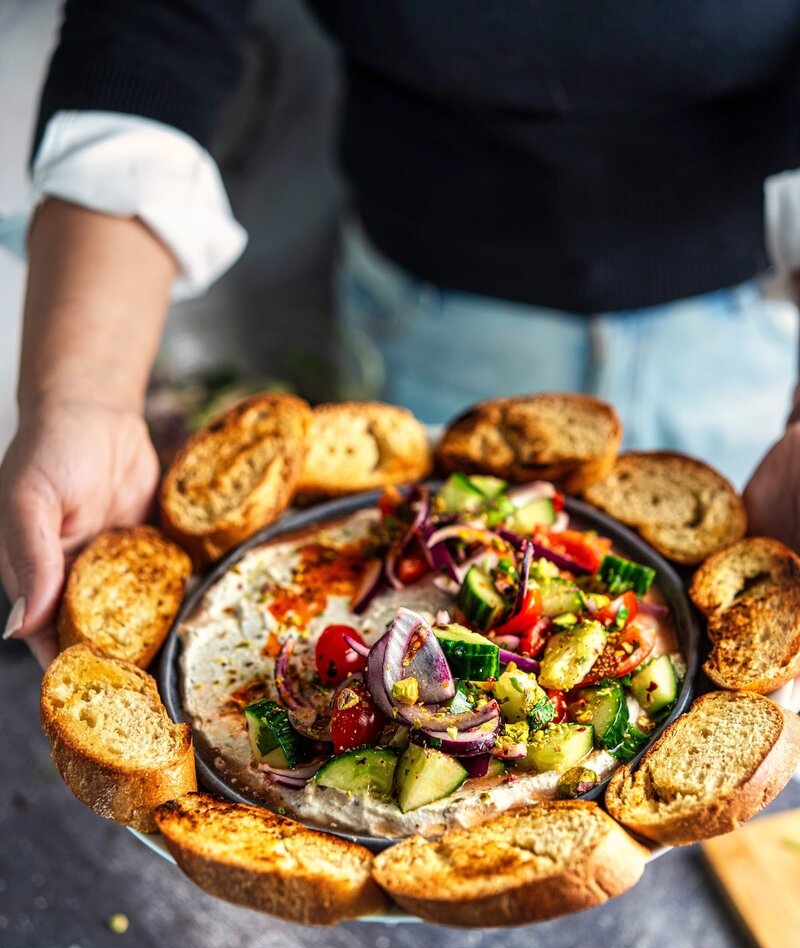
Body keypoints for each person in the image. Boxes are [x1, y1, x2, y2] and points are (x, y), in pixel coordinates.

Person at [3, 0, 800, 668]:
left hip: (751, 317)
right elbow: (154, 23)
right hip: (427, 308)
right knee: (400, 615)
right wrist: (84, 397)